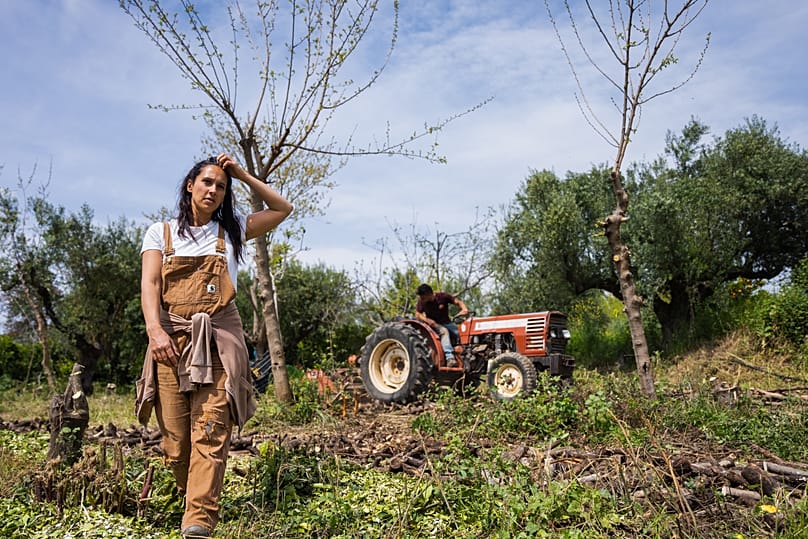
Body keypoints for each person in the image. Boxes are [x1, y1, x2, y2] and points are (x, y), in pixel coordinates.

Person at [135, 154, 292, 538]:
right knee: (176, 443)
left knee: (211, 428)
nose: (213, 190)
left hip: (219, 340)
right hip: (170, 340)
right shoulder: (161, 232)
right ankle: (191, 494)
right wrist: (155, 332)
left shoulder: (233, 230)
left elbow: (282, 207)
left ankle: (198, 521)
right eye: (207, 182)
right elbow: (151, 285)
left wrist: (241, 173)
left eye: (221, 186)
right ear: (190, 185)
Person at [414, 283, 468, 367]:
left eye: (423, 297)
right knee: (444, 331)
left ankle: (463, 354)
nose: (421, 299)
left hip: (447, 322)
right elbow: (418, 314)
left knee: (460, 333)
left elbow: (458, 302)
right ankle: (450, 358)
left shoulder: (443, 297)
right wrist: (427, 320)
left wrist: (464, 308)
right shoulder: (422, 302)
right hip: (433, 325)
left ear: (429, 294)